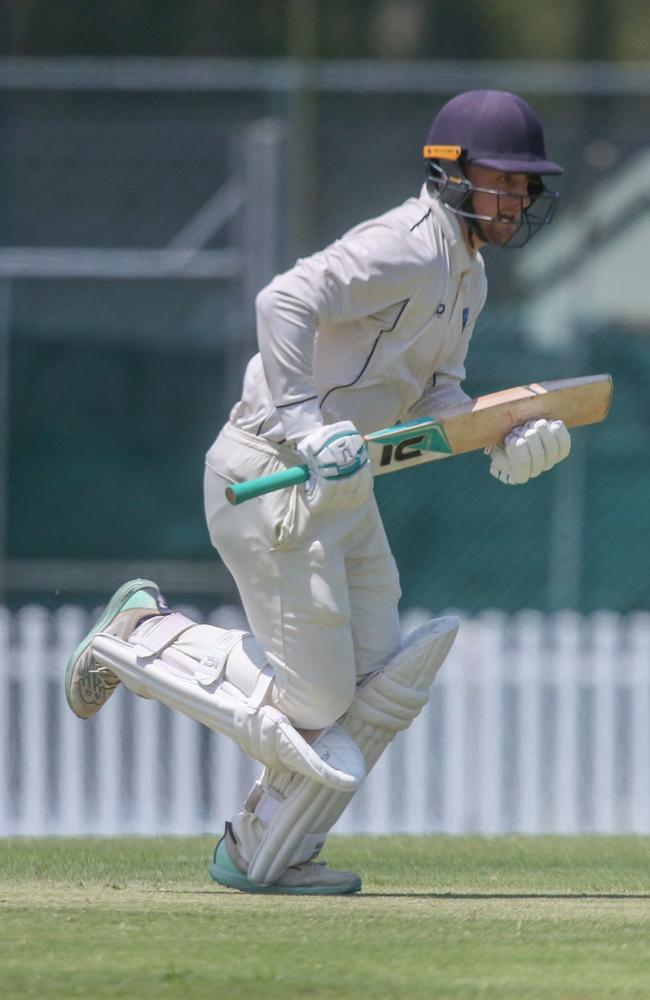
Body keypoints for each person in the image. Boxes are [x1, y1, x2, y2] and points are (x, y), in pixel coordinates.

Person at [65, 90, 570, 895]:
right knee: (318, 695)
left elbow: (437, 397)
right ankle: (140, 630)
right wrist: (303, 420)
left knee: (375, 686)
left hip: (345, 485)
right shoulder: (402, 246)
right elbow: (285, 299)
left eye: (524, 185)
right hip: (271, 471)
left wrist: (504, 439)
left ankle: (265, 844)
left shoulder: (467, 277)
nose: (516, 199)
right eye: (502, 179)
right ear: (449, 173)